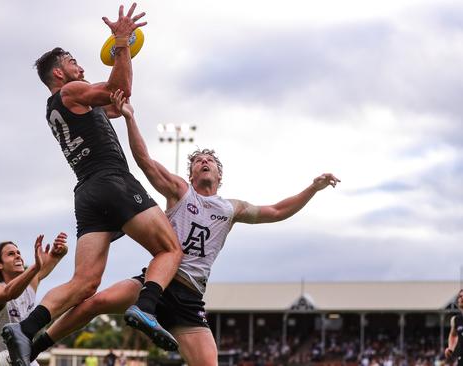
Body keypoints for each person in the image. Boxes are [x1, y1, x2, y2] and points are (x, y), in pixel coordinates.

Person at [27, 91, 341, 366]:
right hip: (158, 281)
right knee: (93, 303)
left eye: (210, 160)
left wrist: (312, 189)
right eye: (197, 161)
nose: (204, 162)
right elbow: (145, 162)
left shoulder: (232, 208)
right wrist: (129, 118)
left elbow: (277, 211)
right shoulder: (179, 191)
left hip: (190, 297)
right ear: (190, 174)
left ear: (219, 174)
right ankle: (33, 347)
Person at [2, 4, 182, 365]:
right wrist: (119, 43)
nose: (81, 66)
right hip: (112, 180)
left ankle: (24, 330)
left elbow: (118, 97)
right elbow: (121, 86)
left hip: (86, 193)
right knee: (169, 250)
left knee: (84, 283)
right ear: (58, 71)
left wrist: (124, 55)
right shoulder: (71, 92)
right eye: (72, 61)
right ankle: (147, 307)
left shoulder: (64, 104)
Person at [0, 233, 68, 366]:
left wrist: (61, 249)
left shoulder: (32, 282)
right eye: (11, 254)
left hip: (26, 357)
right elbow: (10, 293)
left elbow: (54, 257)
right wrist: (36, 267)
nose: (18, 256)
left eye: (18, 252)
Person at [445, 289, 463, 365]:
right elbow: (453, 335)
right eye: (460, 296)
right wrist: (450, 348)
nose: (462, 298)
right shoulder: (455, 320)